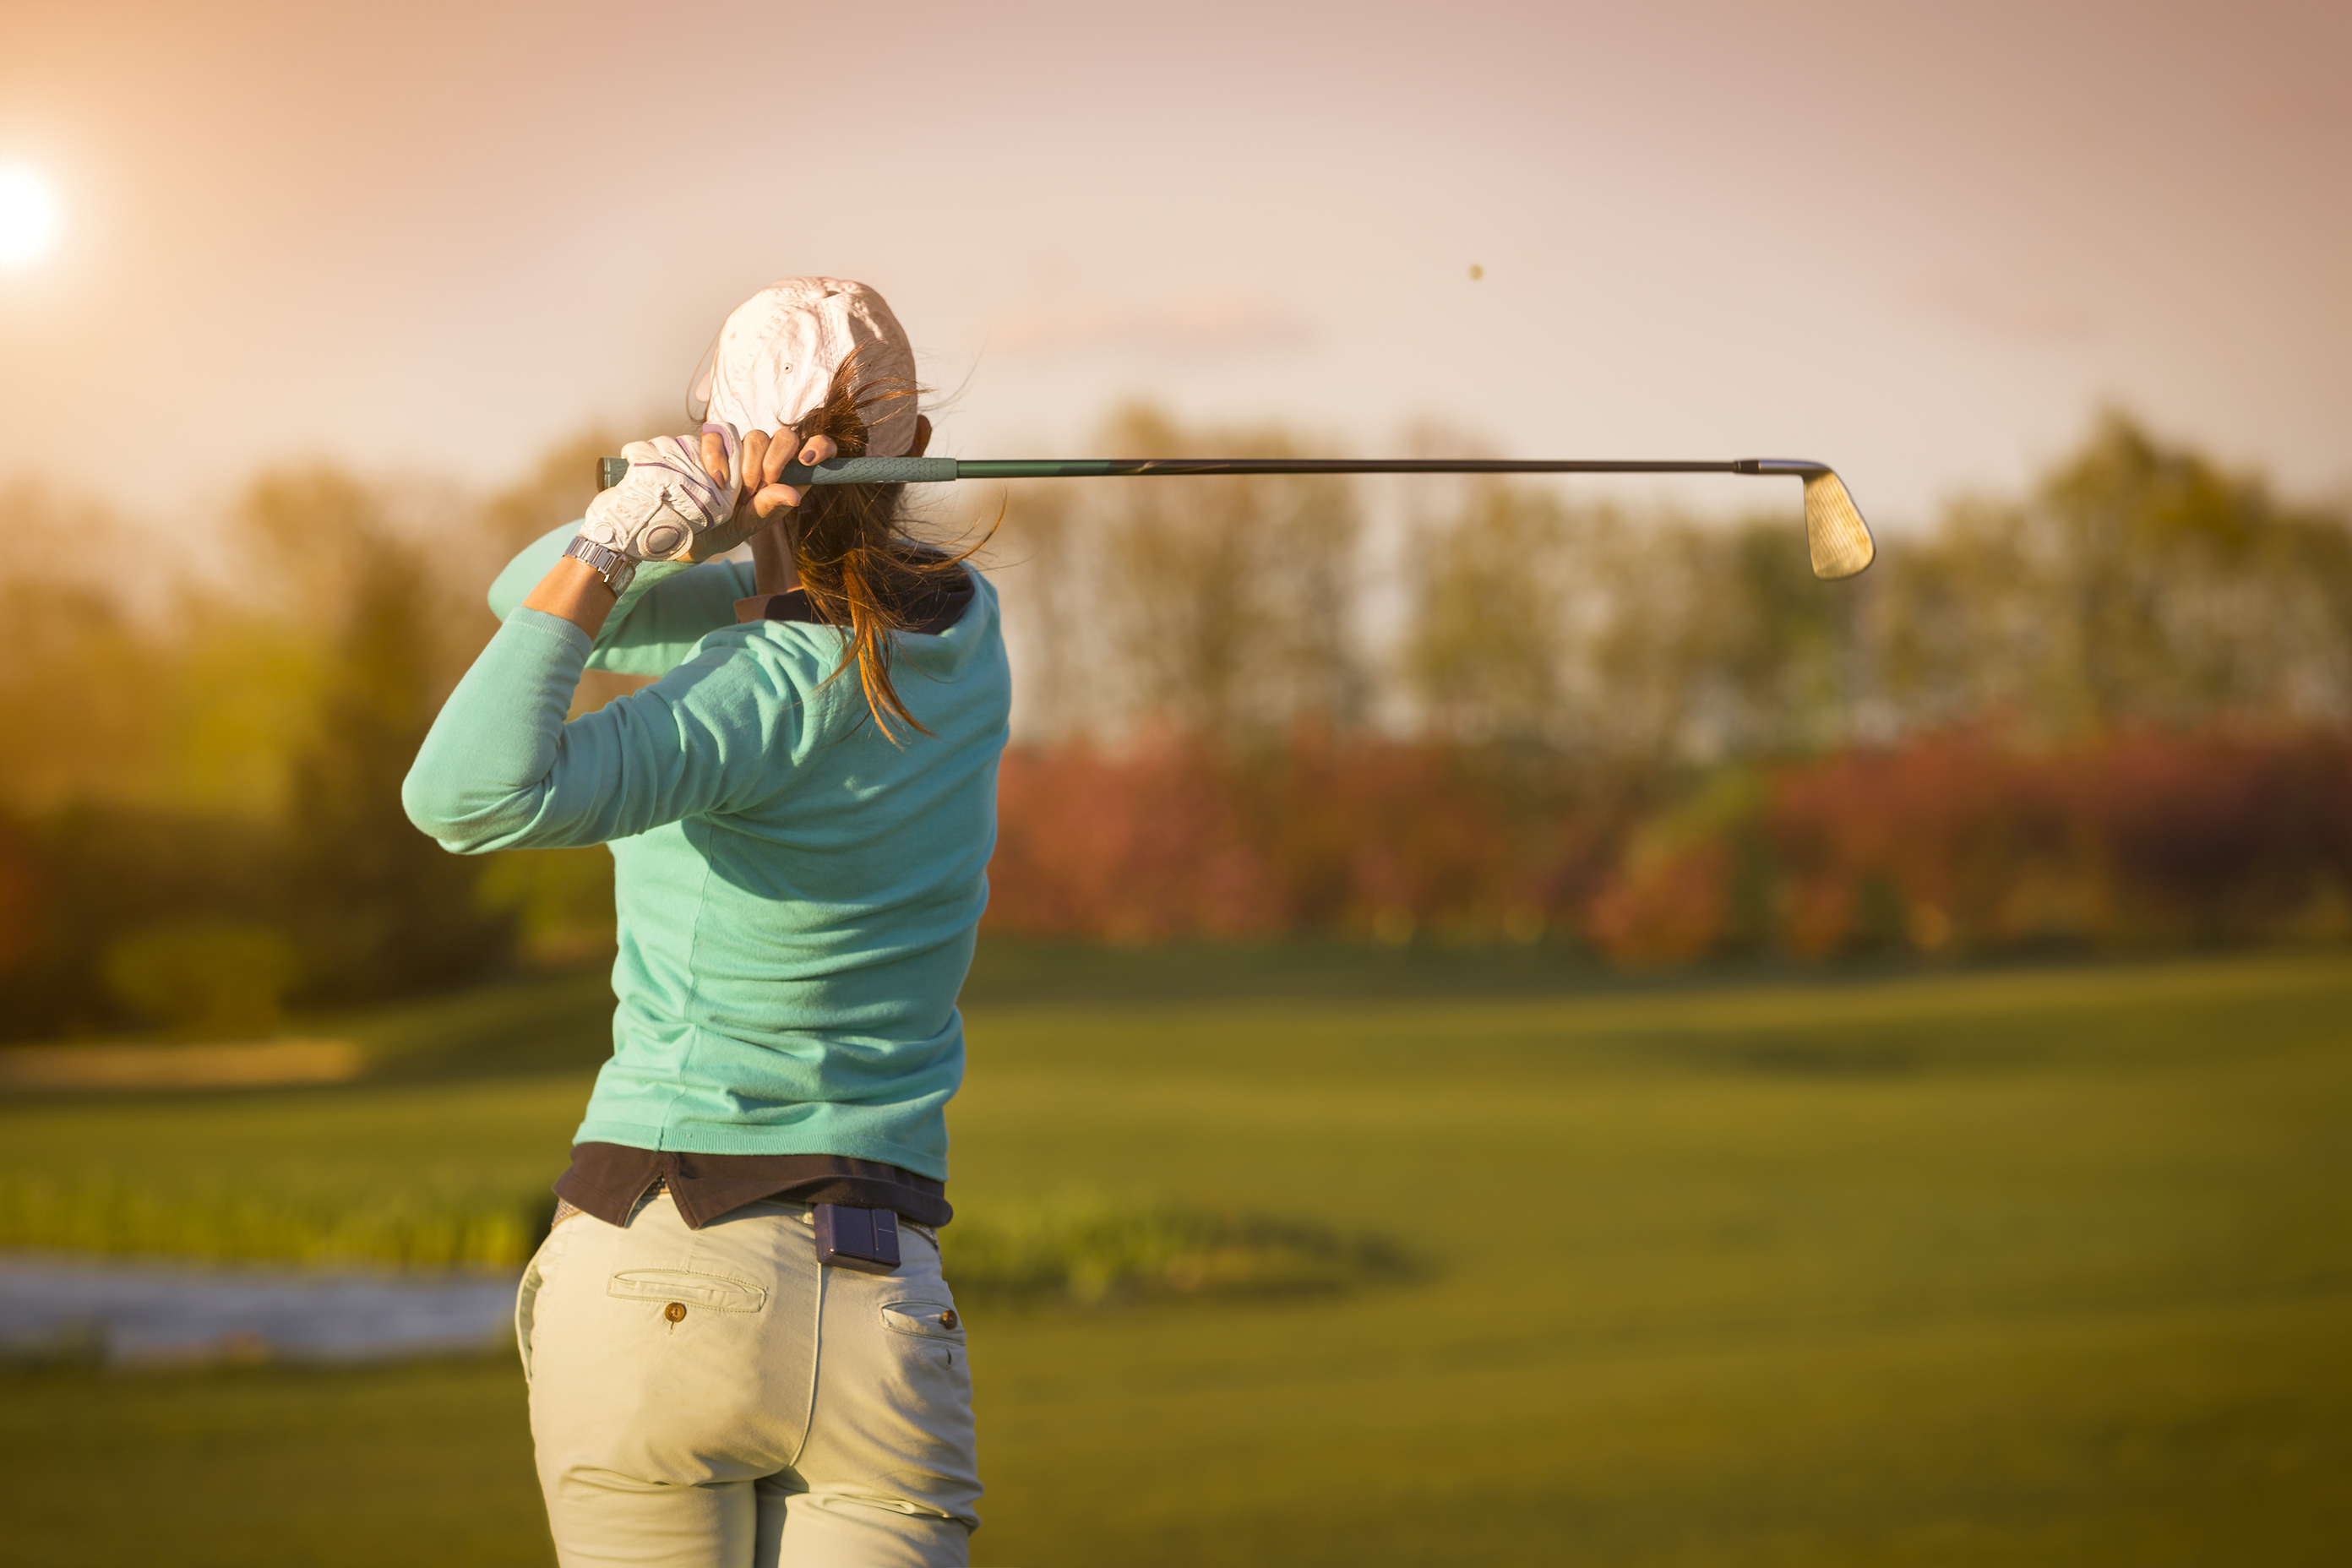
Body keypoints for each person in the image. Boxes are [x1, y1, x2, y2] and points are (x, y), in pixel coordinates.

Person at [403, 277, 1006, 1567]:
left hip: (659, 1263)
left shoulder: (749, 696)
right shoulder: (968, 634)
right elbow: (541, 598)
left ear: (724, 429)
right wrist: (737, 532)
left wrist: (626, 529)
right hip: (883, 1302)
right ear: (911, 448)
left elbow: (462, 792)